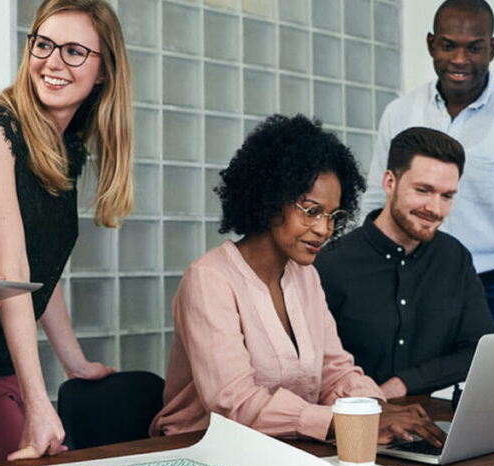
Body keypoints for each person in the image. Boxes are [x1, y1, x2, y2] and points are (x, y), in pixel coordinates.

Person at [0, 0, 134, 466]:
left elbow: (40, 271)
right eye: (44, 44)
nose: (52, 62)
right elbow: (14, 271)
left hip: (1, 368)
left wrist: (74, 362)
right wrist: (39, 404)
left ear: (104, 71)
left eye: (74, 51)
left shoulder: (66, 149)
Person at [150, 114, 444, 447]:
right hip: (200, 451)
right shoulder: (209, 279)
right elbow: (236, 405)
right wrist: (350, 423)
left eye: (333, 216)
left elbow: (335, 371)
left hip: (282, 448)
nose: (324, 229)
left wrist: (376, 411)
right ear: (271, 199)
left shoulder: (305, 276)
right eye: (311, 211)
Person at [362, 0, 494, 332]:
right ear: (431, 44)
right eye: (448, 46)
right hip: (410, 285)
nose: (460, 60)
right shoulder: (399, 113)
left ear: (492, 48)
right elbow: (374, 205)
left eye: (474, 48)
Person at [316, 127, 494, 398]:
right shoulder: (331, 264)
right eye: (423, 190)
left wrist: (403, 383)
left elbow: (480, 351)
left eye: (447, 196)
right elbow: (310, 367)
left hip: (437, 417)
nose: (435, 208)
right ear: (390, 182)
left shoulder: (454, 257)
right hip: (355, 418)